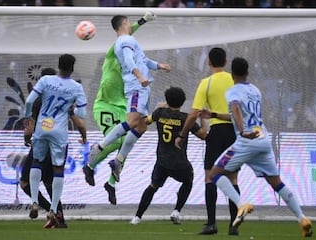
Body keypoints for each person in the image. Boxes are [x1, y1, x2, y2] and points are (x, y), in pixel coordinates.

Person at [208, 57, 313, 237]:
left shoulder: (232, 91)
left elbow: (236, 109)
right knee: (276, 183)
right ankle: (302, 218)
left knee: (215, 174)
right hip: (263, 139)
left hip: (246, 140)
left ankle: (241, 204)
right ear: (247, 72)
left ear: (232, 74)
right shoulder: (256, 91)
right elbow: (240, 115)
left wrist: (242, 132)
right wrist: (213, 114)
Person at [82, 12, 156, 206]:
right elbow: (126, 32)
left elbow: (129, 32)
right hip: (105, 104)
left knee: (128, 139)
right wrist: (143, 21)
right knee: (116, 142)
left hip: (122, 103)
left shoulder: (130, 49)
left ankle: (111, 184)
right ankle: (90, 165)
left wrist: (144, 21)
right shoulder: (115, 48)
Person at [88, 15, 170, 183]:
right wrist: (139, 76)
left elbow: (143, 60)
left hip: (143, 87)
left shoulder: (129, 40)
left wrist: (158, 66)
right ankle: (99, 147)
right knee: (132, 122)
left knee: (141, 126)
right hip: (136, 85)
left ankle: (118, 161)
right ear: (124, 23)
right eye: (128, 22)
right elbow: (129, 60)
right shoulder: (124, 40)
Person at [175, 47, 239, 235]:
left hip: (217, 132)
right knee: (233, 178)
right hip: (233, 133)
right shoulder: (234, 81)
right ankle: (234, 225)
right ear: (226, 61)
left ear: (209, 62)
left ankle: (211, 223)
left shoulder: (206, 83)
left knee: (210, 177)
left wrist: (182, 134)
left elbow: (194, 112)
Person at [24, 54, 87, 227]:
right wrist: (70, 107)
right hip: (59, 131)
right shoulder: (76, 87)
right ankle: (53, 209)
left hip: (42, 127)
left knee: (36, 162)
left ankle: (35, 201)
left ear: (58, 66)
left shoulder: (45, 81)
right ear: (72, 68)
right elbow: (81, 115)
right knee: (57, 169)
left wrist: (28, 117)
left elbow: (29, 101)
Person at [130, 87, 207, 225]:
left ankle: (137, 217)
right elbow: (203, 136)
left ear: (167, 100)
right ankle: (176, 211)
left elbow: (146, 121)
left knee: (153, 186)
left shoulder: (160, 113)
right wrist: (203, 120)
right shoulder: (186, 119)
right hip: (179, 162)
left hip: (162, 161)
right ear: (183, 102)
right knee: (188, 180)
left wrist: (162, 108)